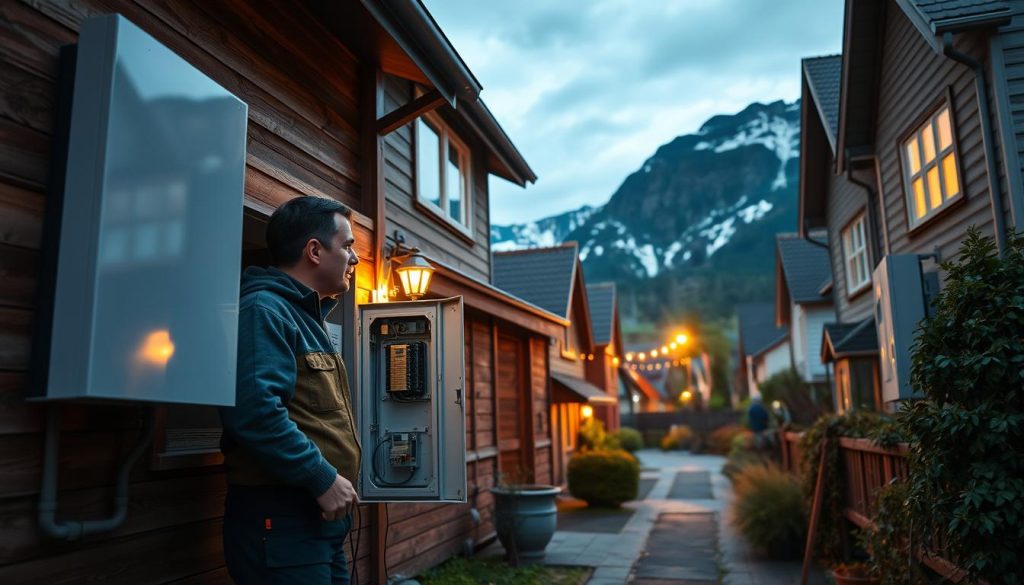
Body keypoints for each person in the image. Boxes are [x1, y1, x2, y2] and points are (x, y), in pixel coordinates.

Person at [220, 195, 361, 584]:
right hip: (282, 521)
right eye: (347, 246)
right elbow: (255, 411)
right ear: (314, 251)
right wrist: (321, 477)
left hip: (317, 522)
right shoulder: (264, 310)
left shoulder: (305, 318)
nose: (355, 259)